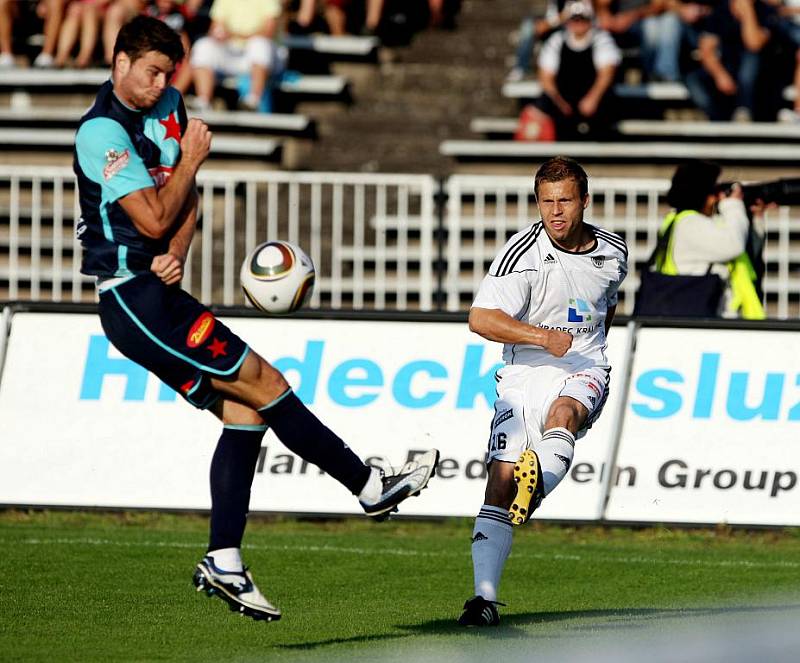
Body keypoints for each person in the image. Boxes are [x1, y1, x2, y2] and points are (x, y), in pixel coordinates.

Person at [73, 15, 439, 622]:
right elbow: (153, 217)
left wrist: (182, 251)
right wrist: (188, 165)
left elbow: (183, 202)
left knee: (246, 411)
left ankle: (223, 559)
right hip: (132, 299)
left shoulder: (168, 105)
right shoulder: (101, 133)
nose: (162, 83)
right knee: (266, 382)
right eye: (151, 72)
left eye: (169, 72)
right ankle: (368, 486)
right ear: (119, 64)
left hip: (158, 293)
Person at [458, 157, 627, 627]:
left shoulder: (614, 252)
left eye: (565, 201)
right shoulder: (522, 254)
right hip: (524, 372)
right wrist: (540, 337)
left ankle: (533, 494)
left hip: (585, 364)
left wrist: (588, 348)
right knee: (500, 481)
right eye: (546, 202)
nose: (555, 212)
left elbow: (606, 304)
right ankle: (484, 599)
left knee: (565, 413)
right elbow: (481, 318)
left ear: (585, 201)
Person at [643, 160, 766, 318]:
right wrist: (733, 204)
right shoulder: (689, 224)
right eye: (714, 192)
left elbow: (743, 253)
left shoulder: (691, 223)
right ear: (701, 195)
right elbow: (734, 244)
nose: (717, 199)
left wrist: (755, 218)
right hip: (702, 323)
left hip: (712, 320)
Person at [536, 0, 621, 139]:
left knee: (606, 104)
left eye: (583, 19)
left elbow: (606, 73)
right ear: (568, 22)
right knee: (547, 103)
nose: (578, 23)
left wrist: (593, 99)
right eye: (574, 19)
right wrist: (560, 103)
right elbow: (546, 77)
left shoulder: (601, 39)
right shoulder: (557, 40)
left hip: (593, 98)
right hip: (564, 99)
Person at [189, 0, 285, 111]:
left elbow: (268, 32)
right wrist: (219, 34)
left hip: (266, 58)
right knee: (203, 45)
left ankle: (253, 100)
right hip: (234, 53)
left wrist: (235, 35)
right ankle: (203, 100)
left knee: (259, 44)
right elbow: (215, 27)